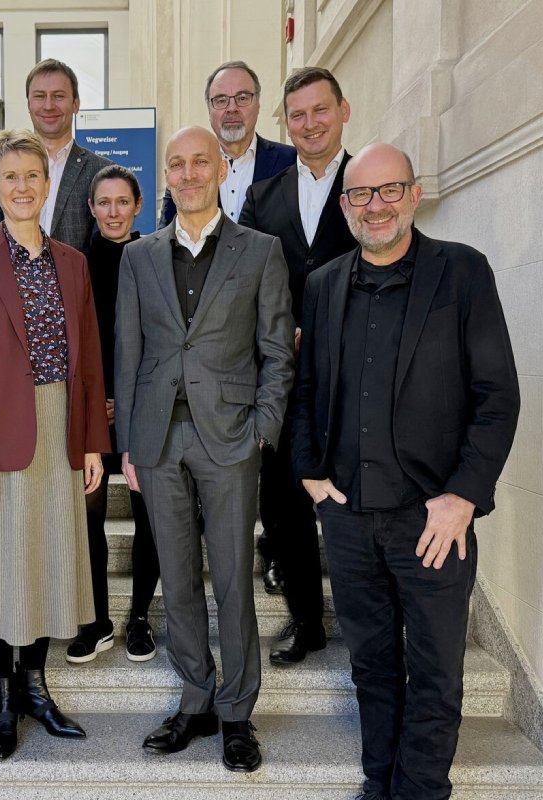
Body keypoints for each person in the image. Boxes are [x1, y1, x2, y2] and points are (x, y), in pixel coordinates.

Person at [293, 143, 520, 800]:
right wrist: (310, 473)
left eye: (389, 189)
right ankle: (379, 783)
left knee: (436, 672)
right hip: (349, 515)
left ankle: (420, 792)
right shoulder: (323, 284)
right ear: (345, 206)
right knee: (371, 665)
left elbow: (497, 395)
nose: (376, 205)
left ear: (414, 194)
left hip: (433, 519)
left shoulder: (462, 271)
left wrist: (463, 497)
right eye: (361, 194)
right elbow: (305, 390)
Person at [114, 126, 294, 771]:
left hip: (231, 437)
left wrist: (263, 429)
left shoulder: (261, 251)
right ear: (165, 174)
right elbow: (128, 354)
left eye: (200, 162)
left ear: (221, 170)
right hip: (158, 438)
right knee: (179, 579)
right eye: (177, 164)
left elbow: (277, 350)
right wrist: (129, 443)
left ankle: (237, 712)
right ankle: (196, 700)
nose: (188, 173)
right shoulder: (139, 256)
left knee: (234, 580)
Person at [0, 129, 110, 760]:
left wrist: (92, 443)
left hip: (60, 425)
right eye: (9, 176)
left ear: (48, 183)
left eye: (32, 176)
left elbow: (88, 361)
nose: (21, 187)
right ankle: (3, 696)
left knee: (47, 558)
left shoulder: (73, 262)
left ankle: (36, 686)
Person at [239, 66, 358, 664]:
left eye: (320, 110)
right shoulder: (263, 196)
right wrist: (276, 330)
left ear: (343, 111)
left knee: (352, 500)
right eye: (298, 115)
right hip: (284, 373)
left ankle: (366, 624)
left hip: (356, 372)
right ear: (286, 123)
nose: (309, 124)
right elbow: (247, 279)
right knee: (283, 505)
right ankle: (307, 621)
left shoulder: (369, 184)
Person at [64, 164, 161, 665]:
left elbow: (162, 339)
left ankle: (139, 616)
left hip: (144, 407)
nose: (113, 211)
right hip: (93, 409)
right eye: (103, 202)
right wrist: (96, 396)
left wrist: (126, 397)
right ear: (91, 208)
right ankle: (96, 619)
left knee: (150, 515)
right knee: (88, 516)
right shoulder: (75, 264)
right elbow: (74, 342)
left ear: (138, 206)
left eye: (123, 201)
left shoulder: (156, 258)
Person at [0, 58, 111, 251]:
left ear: (76, 104)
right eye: (39, 96)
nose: (48, 106)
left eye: (58, 96)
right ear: (28, 104)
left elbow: (103, 250)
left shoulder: (101, 172)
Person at [159, 60, 295, 228]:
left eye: (242, 98)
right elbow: (166, 235)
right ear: (209, 109)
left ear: (258, 104)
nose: (232, 108)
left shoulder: (290, 161)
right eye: (221, 100)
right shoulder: (185, 171)